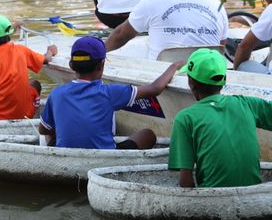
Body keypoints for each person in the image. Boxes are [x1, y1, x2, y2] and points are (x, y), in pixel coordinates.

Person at [168, 48, 272, 188]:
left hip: (213, 195)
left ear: (191, 83)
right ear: (224, 81)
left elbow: (186, 183)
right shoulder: (247, 104)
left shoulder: (185, 118)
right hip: (252, 190)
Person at [39, 36, 183, 149]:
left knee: (51, 132)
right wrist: (174, 66)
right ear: (101, 65)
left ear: (71, 65)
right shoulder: (110, 92)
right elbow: (155, 88)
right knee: (148, 135)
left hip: (67, 155)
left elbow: (43, 130)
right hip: (104, 155)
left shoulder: (57, 93)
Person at [0, 14, 57, 121]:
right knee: (35, 85)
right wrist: (50, 51)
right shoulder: (22, 50)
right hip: (24, 114)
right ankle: (29, 114)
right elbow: (46, 59)